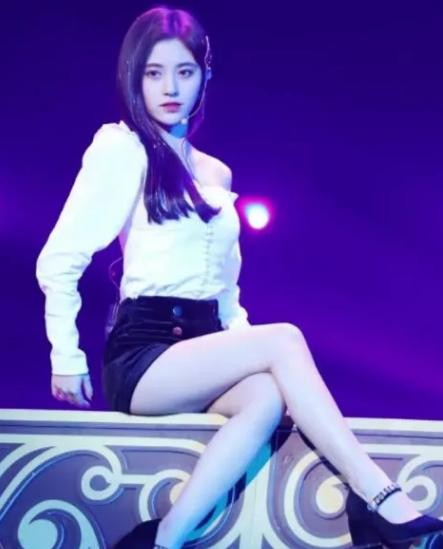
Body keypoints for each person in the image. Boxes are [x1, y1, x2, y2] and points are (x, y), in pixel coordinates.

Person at [35, 5, 443, 549]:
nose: (170, 87)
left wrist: (259, 356)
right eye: (154, 73)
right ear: (134, 77)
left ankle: (163, 539)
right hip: (143, 355)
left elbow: (225, 294)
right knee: (285, 338)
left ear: (205, 75)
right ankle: (380, 498)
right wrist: (65, 355)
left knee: (268, 395)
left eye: (184, 71)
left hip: (205, 347)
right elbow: (59, 257)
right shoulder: (121, 148)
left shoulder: (216, 172)